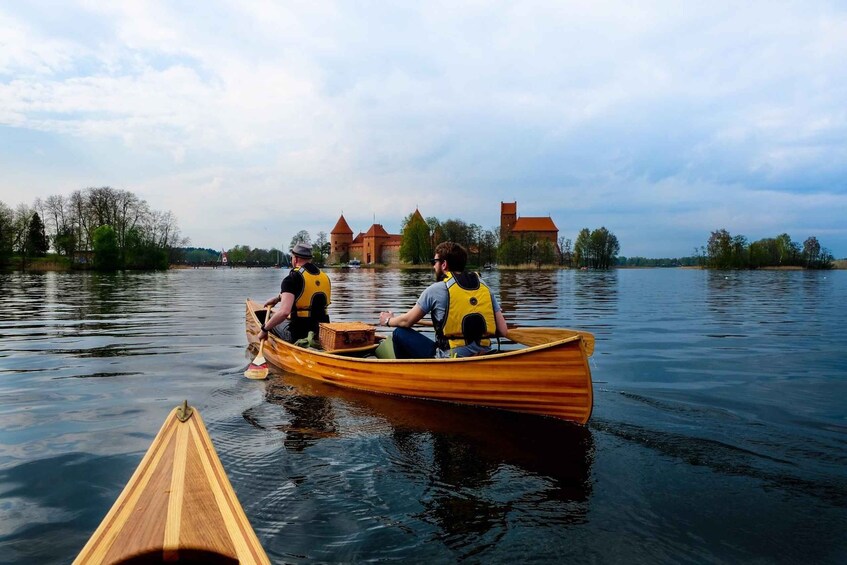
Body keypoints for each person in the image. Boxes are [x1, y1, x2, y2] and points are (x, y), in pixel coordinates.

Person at [378, 241, 509, 359]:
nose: (434, 266)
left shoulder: (436, 289)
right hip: (484, 353)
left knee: (399, 333)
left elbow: (407, 321)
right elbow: (503, 330)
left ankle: (410, 376)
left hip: (451, 357)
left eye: (434, 262)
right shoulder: (485, 288)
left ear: (444, 264)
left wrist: (388, 320)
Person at [260, 242, 331, 343]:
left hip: (299, 334)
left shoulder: (291, 279)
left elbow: (284, 312)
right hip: (324, 332)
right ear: (310, 259)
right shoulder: (324, 277)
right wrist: (278, 298)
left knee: (271, 318)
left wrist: (264, 329)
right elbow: (304, 292)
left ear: (295, 259)